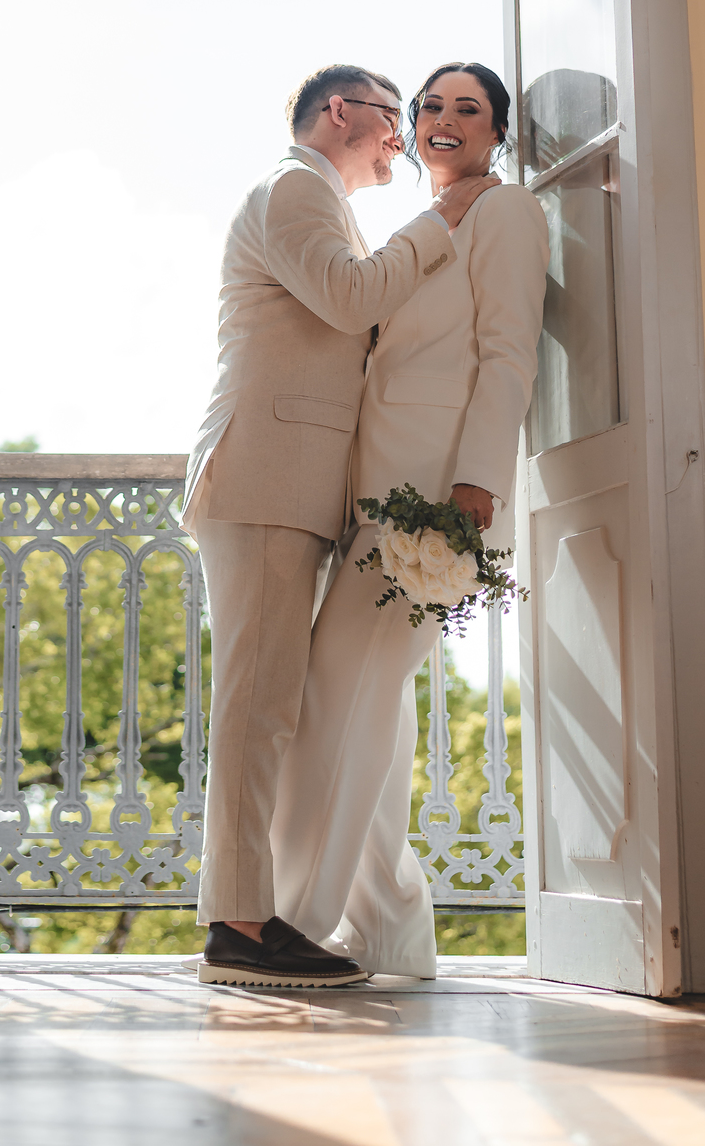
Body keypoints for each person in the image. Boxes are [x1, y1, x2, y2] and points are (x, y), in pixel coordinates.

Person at [184, 63, 498, 988]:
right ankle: (241, 927)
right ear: (339, 113)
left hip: (299, 488)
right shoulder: (293, 189)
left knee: (284, 705)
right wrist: (444, 220)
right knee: (258, 706)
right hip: (266, 478)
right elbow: (355, 299)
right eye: (396, 118)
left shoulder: (325, 205)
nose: (404, 138)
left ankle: (304, 918)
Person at [270, 62, 549, 978]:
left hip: (434, 498)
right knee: (367, 703)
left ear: (496, 133)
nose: (442, 120)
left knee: (338, 694)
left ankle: (295, 920)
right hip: (375, 496)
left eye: (469, 109)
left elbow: (507, 357)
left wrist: (474, 485)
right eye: (431, 105)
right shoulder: (417, 225)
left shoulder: (505, 214)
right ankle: (392, 929)